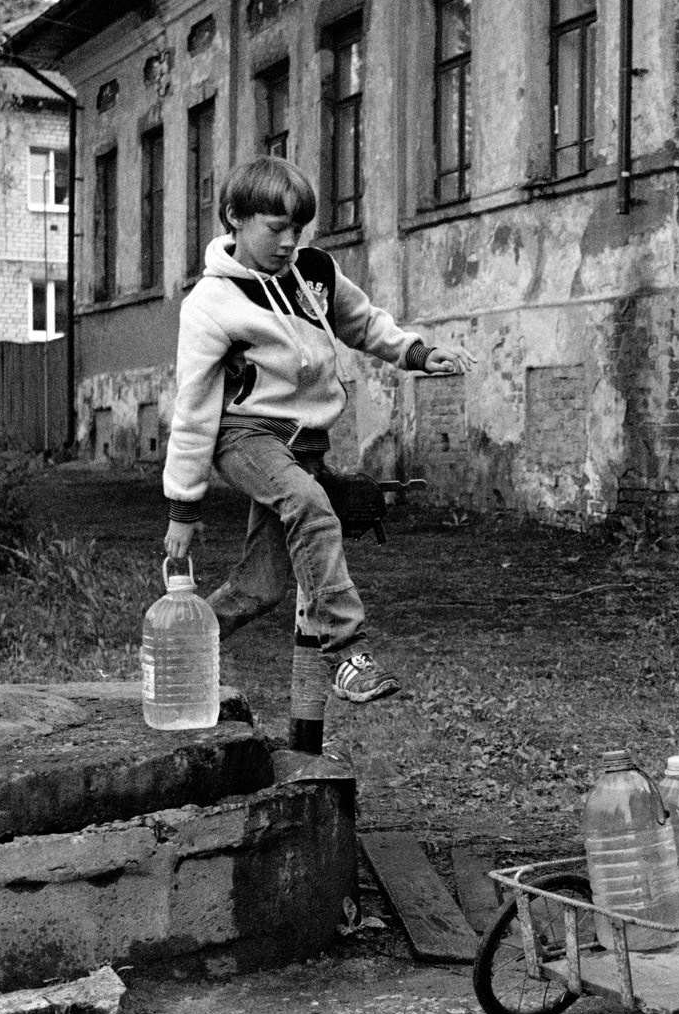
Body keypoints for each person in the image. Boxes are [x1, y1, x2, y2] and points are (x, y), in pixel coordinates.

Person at [161, 156, 465, 702]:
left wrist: (419, 352)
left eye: (296, 230)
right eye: (274, 228)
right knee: (311, 505)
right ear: (235, 217)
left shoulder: (316, 273)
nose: (287, 242)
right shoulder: (209, 305)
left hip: (307, 443)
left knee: (262, 587)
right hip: (246, 434)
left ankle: (176, 647)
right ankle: (348, 653)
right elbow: (192, 408)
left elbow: (363, 323)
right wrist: (184, 507)